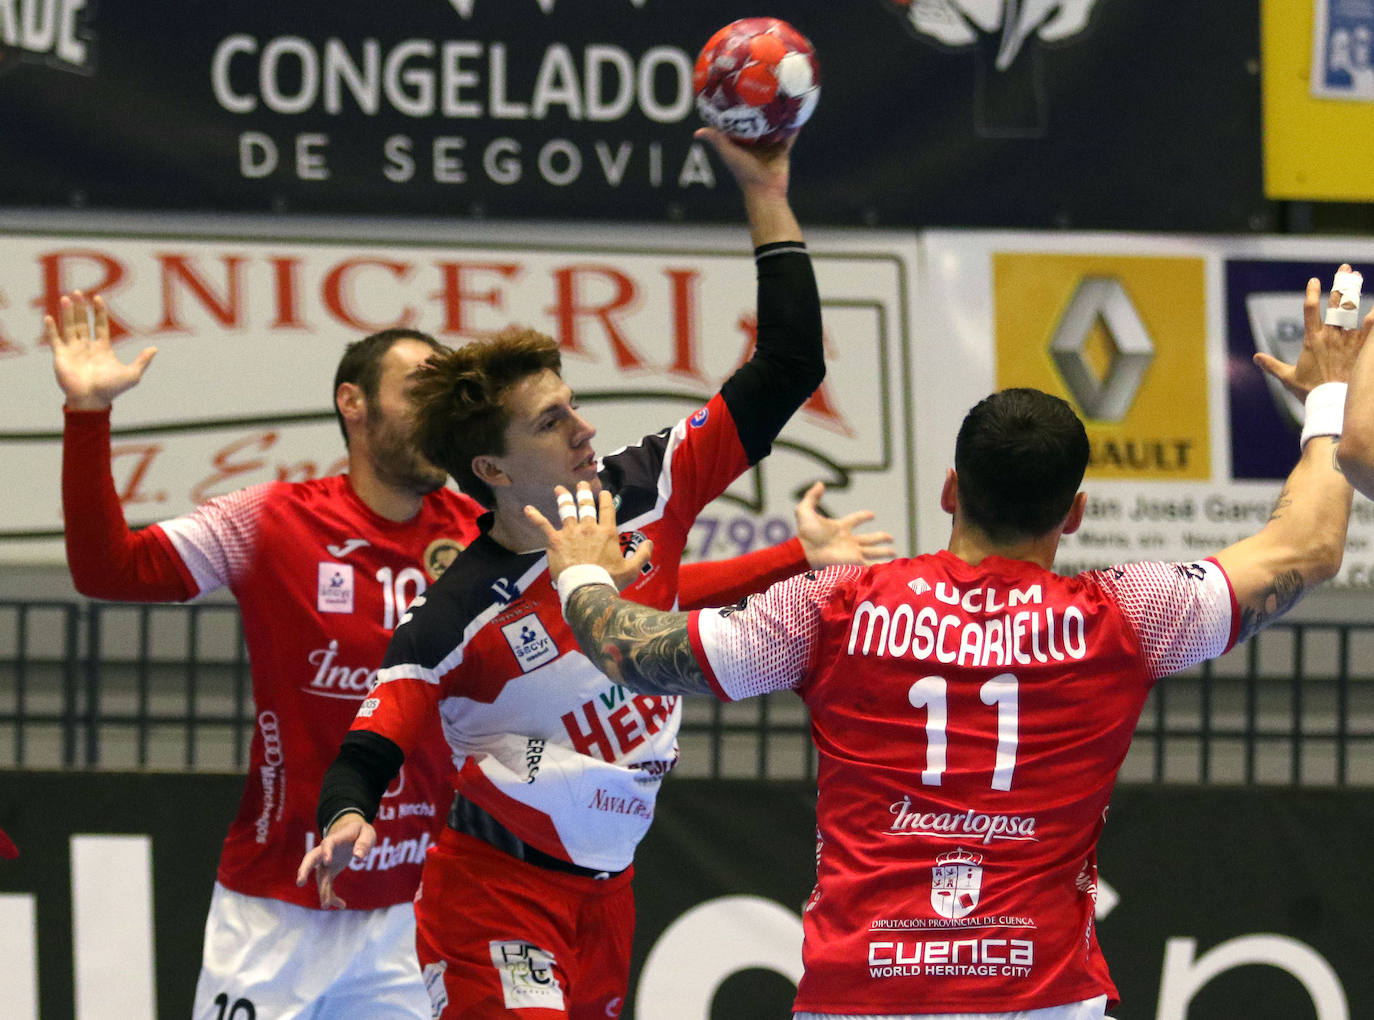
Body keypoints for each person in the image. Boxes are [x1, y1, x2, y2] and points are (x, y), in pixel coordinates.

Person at [528, 269, 1367, 1019]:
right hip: (1040, 998)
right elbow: (1307, 549)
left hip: (861, 996)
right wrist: (1328, 400)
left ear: (949, 490)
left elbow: (634, 652)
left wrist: (580, 575)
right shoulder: (1127, 616)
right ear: (1073, 515)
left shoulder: (838, 609)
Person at [47, 287, 882, 1018]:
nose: (434, 403)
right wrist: (88, 416)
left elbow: (640, 592)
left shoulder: (497, 529)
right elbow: (109, 569)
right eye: (417, 389)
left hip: (425, 894)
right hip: (296, 889)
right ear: (354, 405)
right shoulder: (274, 521)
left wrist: (793, 561)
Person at [298, 126, 855, 1018]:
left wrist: (767, 193)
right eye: (554, 422)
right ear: (493, 470)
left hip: (609, 898)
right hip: (491, 901)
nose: (586, 430)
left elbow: (788, 368)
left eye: (576, 406)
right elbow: (369, 747)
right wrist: (345, 819)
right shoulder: (452, 618)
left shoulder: (645, 489)